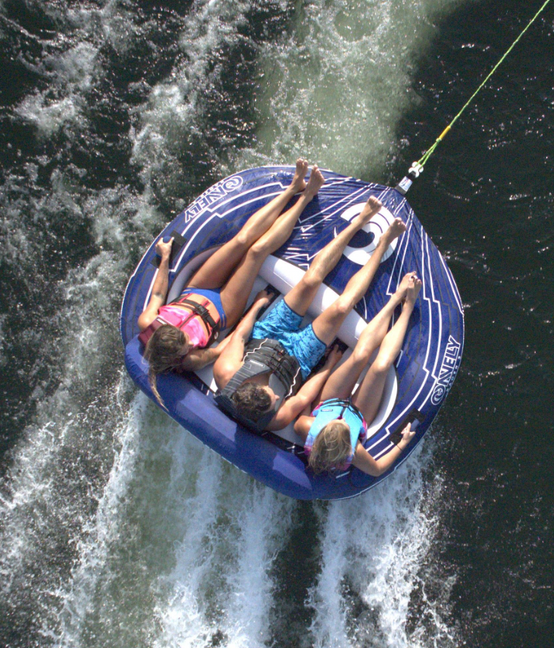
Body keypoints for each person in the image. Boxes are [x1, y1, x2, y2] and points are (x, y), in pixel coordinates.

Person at [212, 197, 407, 432]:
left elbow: (239, 337)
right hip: (301, 358)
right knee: (342, 307)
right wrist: (329, 365)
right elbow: (304, 396)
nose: (277, 399)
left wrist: (257, 305)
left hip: (270, 332)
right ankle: (383, 244)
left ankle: (360, 221)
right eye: (275, 401)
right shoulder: (277, 418)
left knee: (311, 280)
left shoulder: (225, 372)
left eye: (271, 396)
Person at [137, 160, 321, 399]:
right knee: (256, 252)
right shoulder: (190, 360)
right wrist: (254, 309)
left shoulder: (147, 322)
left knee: (242, 240)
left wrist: (164, 258)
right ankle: (307, 196)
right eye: (185, 344)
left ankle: (293, 188)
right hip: (223, 311)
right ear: (179, 355)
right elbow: (225, 347)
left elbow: (159, 295)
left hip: (197, 289)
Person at [293, 272, 422, 476]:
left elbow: (304, 400)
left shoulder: (305, 426)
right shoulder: (354, 452)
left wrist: (326, 367)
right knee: (381, 366)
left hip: (329, 401)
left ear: (321, 430)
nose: (343, 420)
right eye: (345, 426)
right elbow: (377, 470)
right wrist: (402, 443)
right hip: (360, 414)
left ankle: (395, 298)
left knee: (360, 356)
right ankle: (407, 308)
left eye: (337, 423)